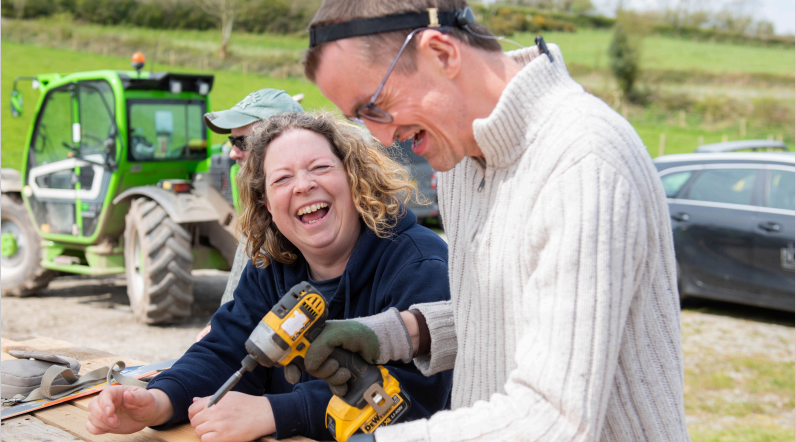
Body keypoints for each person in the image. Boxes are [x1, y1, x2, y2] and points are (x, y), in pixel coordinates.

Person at [296, 1, 690, 441]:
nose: (383, 138)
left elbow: (554, 418)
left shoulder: (585, 161)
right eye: (359, 119)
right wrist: (394, 333)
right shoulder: (463, 161)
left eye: (376, 106)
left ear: (441, 54)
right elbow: (504, 310)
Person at [85, 112, 453, 441]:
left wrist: (277, 413)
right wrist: (159, 401)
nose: (303, 185)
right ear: (266, 203)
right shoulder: (272, 267)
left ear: (354, 177)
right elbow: (226, 350)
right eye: (282, 179)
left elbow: (419, 398)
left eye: (320, 168)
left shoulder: (418, 263)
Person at [195, 88, 304, 342]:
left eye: (241, 142)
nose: (233, 152)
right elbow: (234, 308)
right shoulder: (258, 218)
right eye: (232, 142)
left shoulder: (314, 220)